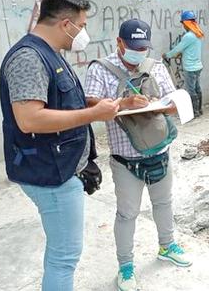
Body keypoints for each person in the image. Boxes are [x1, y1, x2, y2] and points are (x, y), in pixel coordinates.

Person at [0, 0, 120, 291]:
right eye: (83, 25)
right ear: (66, 24)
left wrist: (107, 104)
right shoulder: (29, 58)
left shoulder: (50, 53)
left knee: (61, 254)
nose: (84, 33)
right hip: (50, 173)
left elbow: (63, 101)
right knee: (63, 258)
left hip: (60, 166)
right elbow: (29, 119)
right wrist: (94, 116)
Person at [85, 19, 192, 291]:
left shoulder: (155, 66)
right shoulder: (101, 69)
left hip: (160, 150)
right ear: (119, 43)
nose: (139, 53)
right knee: (127, 214)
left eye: (143, 48)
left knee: (164, 202)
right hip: (126, 159)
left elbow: (172, 97)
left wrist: (169, 107)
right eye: (133, 47)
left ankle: (167, 246)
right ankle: (126, 266)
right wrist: (124, 103)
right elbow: (90, 102)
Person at [162, 10, 204, 117]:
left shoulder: (189, 36)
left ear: (186, 23)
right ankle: (199, 109)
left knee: (191, 90)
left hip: (190, 68)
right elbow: (190, 49)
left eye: (183, 23)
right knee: (197, 88)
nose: (183, 26)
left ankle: (195, 112)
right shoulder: (198, 33)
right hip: (198, 66)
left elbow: (177, 49)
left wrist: (167, 55)